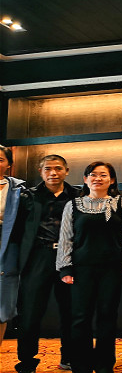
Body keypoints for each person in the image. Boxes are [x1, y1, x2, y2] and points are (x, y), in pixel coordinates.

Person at [56, 161, 122, 373]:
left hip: (112, 268)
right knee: (80, 318)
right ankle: (80, 365)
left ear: (112, 180)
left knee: (107, 317)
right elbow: (66, 238)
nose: (97, 178)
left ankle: (104, 365)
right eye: (93, 174)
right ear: (85, 179)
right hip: (81, 269)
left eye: (103, 175)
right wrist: (65, 267)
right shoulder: (73, 205)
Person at [13, 155, 78, 373]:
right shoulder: (27, 196)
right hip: (38, 258)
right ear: (41, 172)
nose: (53, 173)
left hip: (69, 259)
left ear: (66, 171)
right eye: (48, 169)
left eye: (58, 168)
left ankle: (69, 357)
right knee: (30, 313)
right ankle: (27, 362)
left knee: (70, 311)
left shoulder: (77, 196)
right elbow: (17, 230)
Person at [0, 145, 25, 346]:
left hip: (8, 245)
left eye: (0, 159)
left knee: (3, 301)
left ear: (9, 164)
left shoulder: (19, 189)